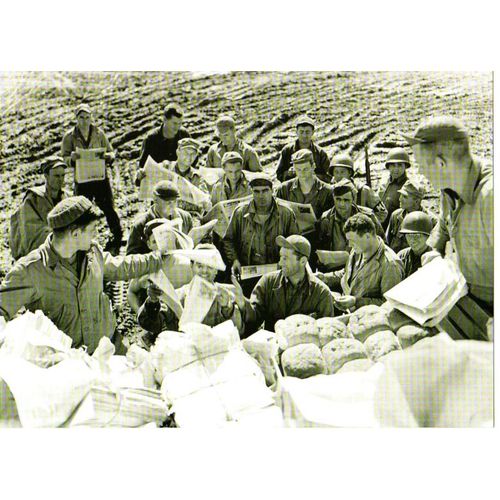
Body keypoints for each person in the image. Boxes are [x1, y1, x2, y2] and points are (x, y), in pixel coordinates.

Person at [0, 196, 165, 355]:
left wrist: (159, 258)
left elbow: (122, 267)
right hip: (71, 369)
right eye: (93, 230)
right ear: (75, 234)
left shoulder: (92, 252)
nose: (96, 235)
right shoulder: (30, 271)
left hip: (110, 348)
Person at [402, 115, 493, 339]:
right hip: (467, 298)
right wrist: (432, 251)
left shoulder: (491, 198)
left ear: (441, 164)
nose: (421, 174)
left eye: (422, 166)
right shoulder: (449, 186)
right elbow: (443, 226)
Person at [138, 244, 243, 343]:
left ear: (216, 270)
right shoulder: (179, 295)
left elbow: (239, 331)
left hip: (216, 354)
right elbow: (151, 325)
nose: (204, 271)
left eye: (210, 267)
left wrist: (227, 308)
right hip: (186, 354)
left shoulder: (225, 294)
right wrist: (152, 302)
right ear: (191, 266)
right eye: (199, 265)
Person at [231, 235, 334, 334]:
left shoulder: (321, 293)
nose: (280, 263)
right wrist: (243, 302)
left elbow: (325, 332)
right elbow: (255, 317)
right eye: (280, 257)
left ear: (303, 261)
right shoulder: (268, 282)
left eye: (285, 258)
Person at [223, 173, 299, 296]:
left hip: (277, 273)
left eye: (265, 191)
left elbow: (295, 243)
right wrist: (235, 260)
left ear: (272, 191)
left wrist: (285, 261)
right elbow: (228, 240)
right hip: (247, 273)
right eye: (256, 191)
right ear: (251, 192)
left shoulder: (286, 213)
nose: (261, 195)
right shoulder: (240, 212)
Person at [61, 103, 122, 254]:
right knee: (82, 210)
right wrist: (71, 158)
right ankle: (81, 240)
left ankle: (117, 234)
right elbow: (64, 157)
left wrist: (108, 157)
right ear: (76, 118)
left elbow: (111, 153)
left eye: (87, 117)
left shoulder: (99, 133)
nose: (85, 121)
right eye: (81, 117)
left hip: (100, 177)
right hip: (82, 179)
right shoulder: (69, 137)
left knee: (107, 206)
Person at [317, 213, 404, 312]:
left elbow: (389, 305)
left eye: (352, 240)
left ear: (367, 236)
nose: (349, 245)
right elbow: (348, 274)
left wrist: (356, 302)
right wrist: (325, 278)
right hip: (349, 312)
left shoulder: (391, 265)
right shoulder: (358, 249)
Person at [127, 218, 194, 314]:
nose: (160, 246)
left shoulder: (187, 264)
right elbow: (131, 292)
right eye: (155, 242)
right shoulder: (146, 268)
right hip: (159, 323)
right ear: (149, 244)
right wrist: (140, 314)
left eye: (164, 240)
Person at [9, 156, 68, 260]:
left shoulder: (67, 197)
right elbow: (31, 232)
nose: (61, 180)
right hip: (40, 255)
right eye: (56, 176)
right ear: (46, 176)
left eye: (63, 175)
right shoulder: (33, 198)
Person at [317, 178, 384, 257]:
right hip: (336, 266)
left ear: (353, 199)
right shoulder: (326, 219)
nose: (342, 204)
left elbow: (381, 244)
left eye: (346, 200)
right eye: (338, 199)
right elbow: (321, 250)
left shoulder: (368, 216)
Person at [126, 181, 193, 256]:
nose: (172, 206)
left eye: (175, 202)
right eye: (168, 202)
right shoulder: (140, 224)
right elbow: (131, 257)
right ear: (155, 200)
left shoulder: (185, 217)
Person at [329, 152, 388, 224]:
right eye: (336, 172)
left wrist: (368, 224)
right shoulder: (330, 191)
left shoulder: (363, 190)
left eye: (342, 172)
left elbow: (382, 213)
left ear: (349, 173)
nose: (339, 175)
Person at [276, 149, 333, 219]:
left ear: (313, 166)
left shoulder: (327, 191)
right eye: (298, 170)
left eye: (305, 169)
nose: (302, 173)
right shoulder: (283, 190)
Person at [137, 102, 191, 171]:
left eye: (180, 123)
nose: (177, 127)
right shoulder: (151, 139)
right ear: (165, 119)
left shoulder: (185, 135)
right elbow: (143, 167)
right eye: (174, 123)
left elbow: (194, 162)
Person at [276, 115, 330, 183]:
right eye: (301, 132)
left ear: (313, 132)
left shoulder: (320, 153)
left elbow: (328, 177)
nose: (304, 135)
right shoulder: (287, 151)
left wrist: (310, 175)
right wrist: (288, 173)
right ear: (296, 132)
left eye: (307, 132)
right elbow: (279, 174)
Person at [385, 180, 435, 253]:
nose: (400, 199)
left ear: (417, 201)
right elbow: (387, 241)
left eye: (405, 197)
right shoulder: (396, 215)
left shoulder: (430, 220)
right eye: (401, 195)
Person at [169, 138, 209, 220]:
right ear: (178, 152)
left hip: (189, 218)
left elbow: (204, 199)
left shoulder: (197, 176)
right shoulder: (166, 168)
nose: (189, 157)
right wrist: (140, 176)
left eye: (193, 154)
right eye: (186, 153)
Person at [377, 147, 411, 228]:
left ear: (405, 166)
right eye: (392, 165)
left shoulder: (409, 186)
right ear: (388, 167)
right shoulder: (384, 182)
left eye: (399, 165)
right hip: (381, 225)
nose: (396, 169)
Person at [396, 211, 434, 279]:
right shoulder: (401, 256)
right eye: (409, 235)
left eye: (417, 235)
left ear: (428, 236)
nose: (412, 240)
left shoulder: (434, 258)